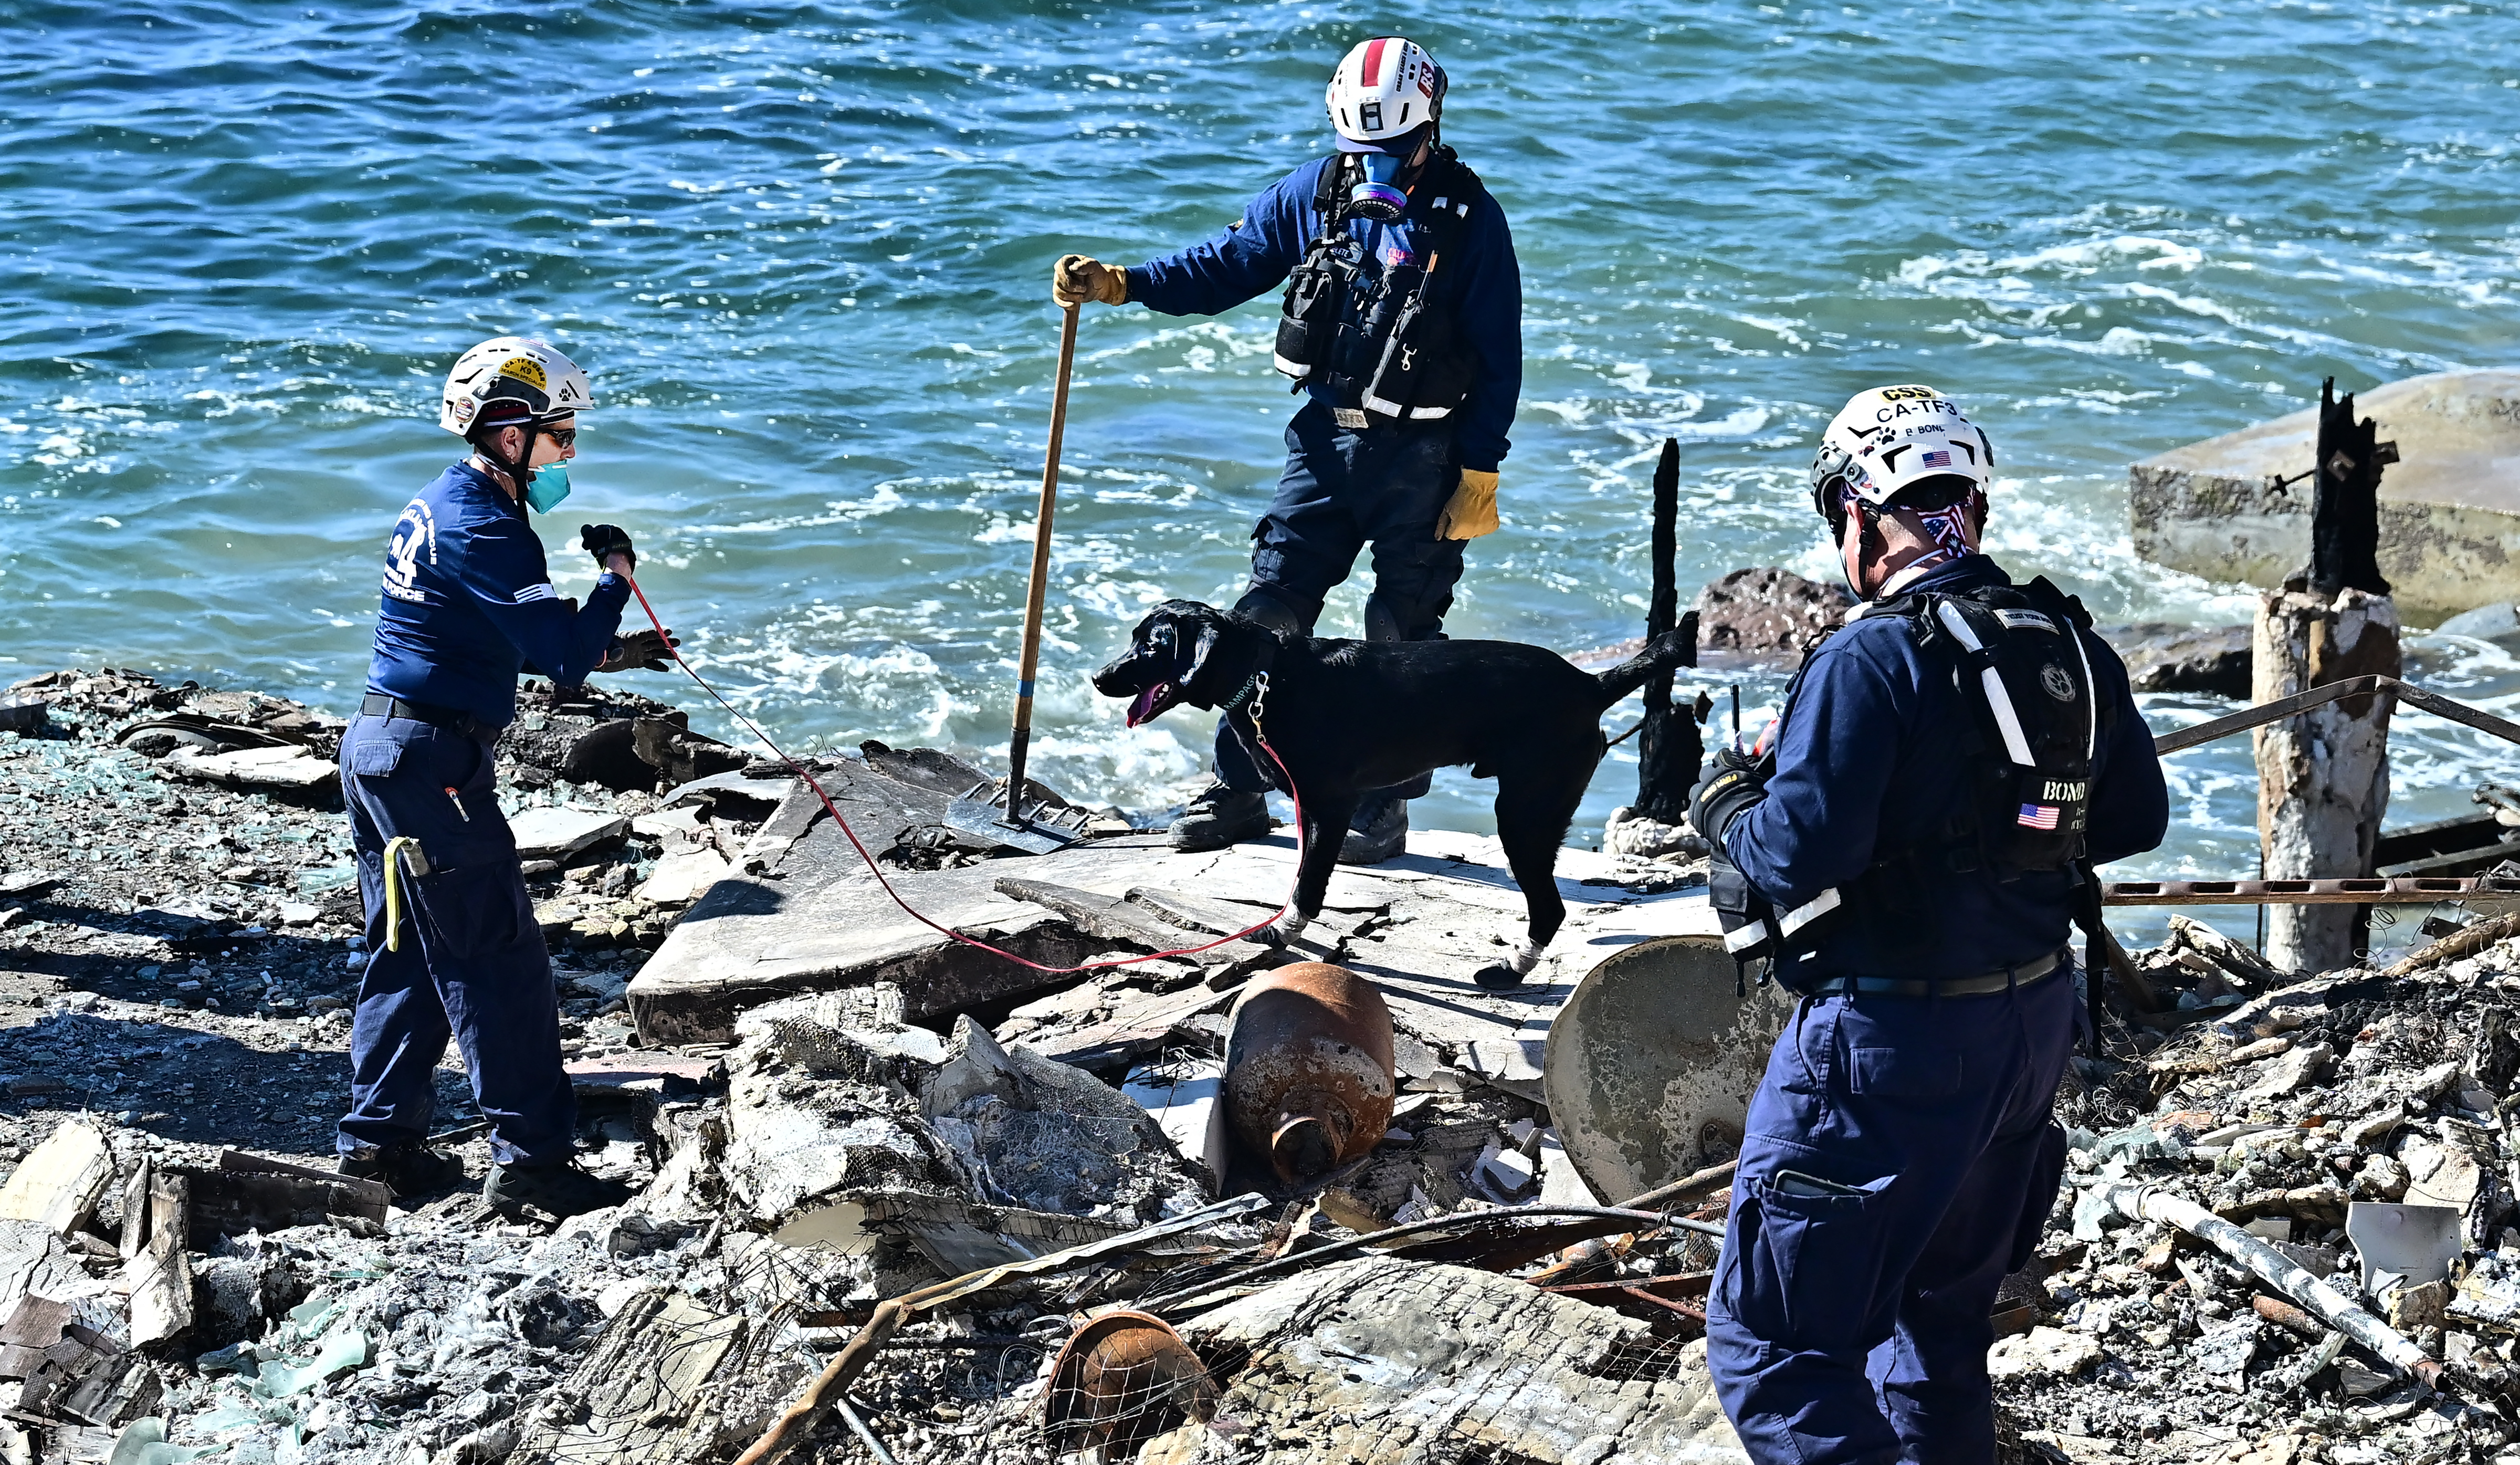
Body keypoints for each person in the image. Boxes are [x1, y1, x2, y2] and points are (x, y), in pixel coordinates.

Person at [1687, 385, 2168, 1463]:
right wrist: (2000, 828)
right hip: (2031, 1031)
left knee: (1776, 1349)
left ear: (1859, 517)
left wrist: (1724, 804)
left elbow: (1800, 852)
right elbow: (2135, 819)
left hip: (1887, 1052)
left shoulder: (1869, 659)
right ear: (1973, 507)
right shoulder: (2068, 641)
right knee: (1938, 1330)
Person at [1053, 35, 1522, 864]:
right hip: (1324, 448)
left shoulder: (1472, 219)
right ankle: (1239, 787)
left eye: (1395, 151)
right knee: (1265, 614)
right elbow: (1230, 263)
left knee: (1399, 634)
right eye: (1361, 149)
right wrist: (1126, 283)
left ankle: (1380, 804)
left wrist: (1480, 470)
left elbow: (1500, 355)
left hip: (1426, 460)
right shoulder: (1316, 192)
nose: (1377, 165)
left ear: (1432, 129)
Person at [334, 335, 674, 1220]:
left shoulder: (442, 502)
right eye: (562, 434)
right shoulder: (489, 526)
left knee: (410, 951)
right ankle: (533, 1162)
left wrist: (620, 645)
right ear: (511, 434)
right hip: (431, 765)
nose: (572, 454)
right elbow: (561, 656)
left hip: (380, 749)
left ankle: (379, 1153)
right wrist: (617, 578)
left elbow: (489, 633)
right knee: (500, 958)